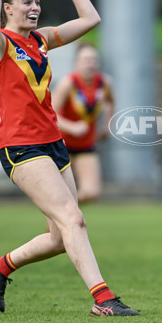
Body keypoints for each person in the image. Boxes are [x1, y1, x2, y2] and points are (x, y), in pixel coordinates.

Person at [0, 0, 138, 316]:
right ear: (8, 9)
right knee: (74, 220)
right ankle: (104, 299)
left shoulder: (42, 41)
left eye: (37, 1)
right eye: (27, 3)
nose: (35, 7)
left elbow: (91, 19)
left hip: (54, 144)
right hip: (21, 146)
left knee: (59, 236)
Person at [52, 42, 114, 204]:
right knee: (61, 193)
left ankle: (64, 212)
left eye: (93, 60)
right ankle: (62, 216)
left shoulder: (104, 82)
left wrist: (107, 126)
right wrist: (72, 127)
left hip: (86, 144)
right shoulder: (68, 84)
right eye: (86, 60)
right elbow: (50, 114)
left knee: (92, 192)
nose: (90, 64)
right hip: (61, 145)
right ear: (76, 63)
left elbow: (110, 103)